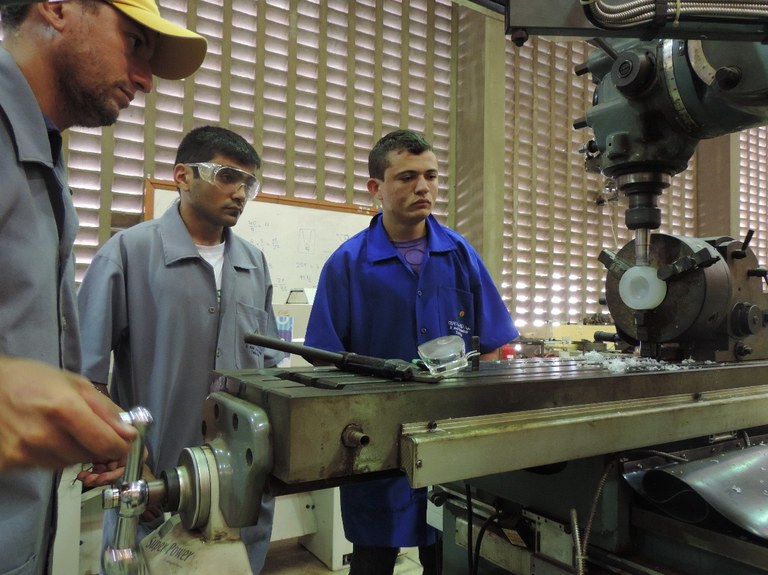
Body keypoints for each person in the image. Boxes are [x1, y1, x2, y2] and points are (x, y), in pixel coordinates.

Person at [0, 0, 206, 572]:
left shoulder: (42, 157)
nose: (144, 78)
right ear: (58, 8)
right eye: (135, 43)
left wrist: (77, 410)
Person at [304, 129, 519, 575]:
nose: (423, 187)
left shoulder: (460, 255)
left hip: (451, 437)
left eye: (430, 176)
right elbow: (324, 357)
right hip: (375, 442)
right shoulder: (348, 264)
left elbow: (494, 346)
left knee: (449, 552)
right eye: (406, 177)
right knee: (373, 555)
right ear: (375, 187)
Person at [77, 125, 284, 573]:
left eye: (248, 182)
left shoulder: (254, 263)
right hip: (154, 490)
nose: (240, 192)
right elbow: (84, 382)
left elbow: (268, 367)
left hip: (238, 490)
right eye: (227, 176)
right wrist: (136, 465)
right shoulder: (129, 254)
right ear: (182, 176)